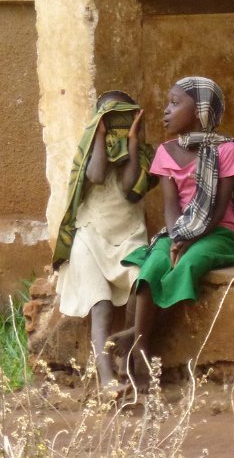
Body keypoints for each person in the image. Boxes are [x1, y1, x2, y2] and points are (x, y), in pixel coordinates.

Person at [108, 77, 234, 387]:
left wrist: (192, 238)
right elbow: (171, 207)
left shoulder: (227, 149)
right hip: (178, 230)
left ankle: (135, 335)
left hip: (217, 233)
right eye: (168, 103)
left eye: (175, 103)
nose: (166, 110)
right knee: (153, 265)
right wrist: (178, 237)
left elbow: (219, 209)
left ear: (201, 110)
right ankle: (142, 349)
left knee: (187, 265)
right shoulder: (165, 152)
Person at [53, 90, 157, 390]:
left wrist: (133, 142)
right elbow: (97, 175)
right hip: (90, 235)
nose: (115, 125)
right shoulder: (88, 152)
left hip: (129, 236)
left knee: (140, 286)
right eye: (108, 118)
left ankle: (127, 359)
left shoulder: (144, 155)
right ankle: (106, 377)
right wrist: (99, 136)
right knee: (101, 306)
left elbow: (130, 188)